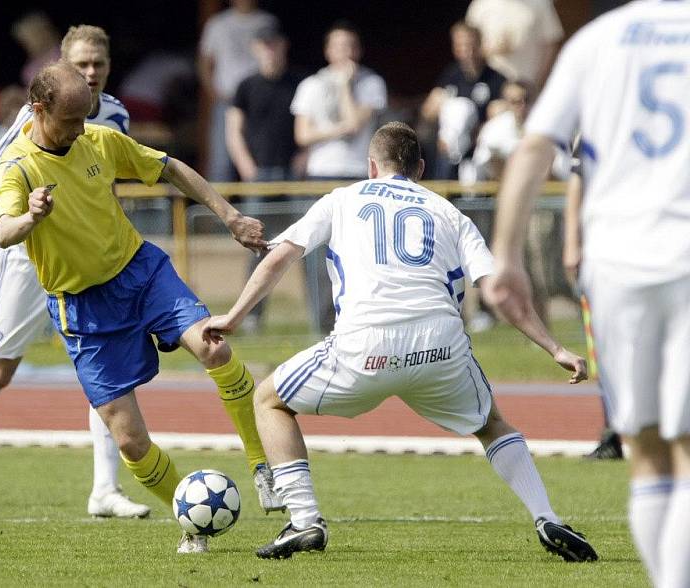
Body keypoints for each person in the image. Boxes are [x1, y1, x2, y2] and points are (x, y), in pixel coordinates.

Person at [202, 121, 598, 562]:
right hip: (440, 347)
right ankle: (546, 516)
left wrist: (235, 315)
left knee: (269, 400)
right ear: (421, 168)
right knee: (491, 425)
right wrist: (555, 348)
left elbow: (280, 257)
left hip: (363, 347)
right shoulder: (450, 213)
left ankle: (304, 520)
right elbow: (498, 290)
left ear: (371, 165)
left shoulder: (342, 199)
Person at [0, 27, 279, 528]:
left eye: (99, 66)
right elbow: (1, 225)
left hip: (135, 271)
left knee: (215, 346)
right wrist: (31, 216)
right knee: (15, 380)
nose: (81, 127)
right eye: (71, 118)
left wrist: (229, 217)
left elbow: (166, 167)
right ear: (41, 107)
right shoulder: (18, 152)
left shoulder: (103, 126)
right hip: (62, 285)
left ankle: (258, 466)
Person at [485, 3, 690, 586]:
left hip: (619, 261)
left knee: (647, 454)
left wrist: (506, 255)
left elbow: (534, 147)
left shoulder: (598, 39)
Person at [291, 20, 387, 334]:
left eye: (350, 46)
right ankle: (322, 322)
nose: (344, 53)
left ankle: (358, 319)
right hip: (320, 175)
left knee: (360, 250)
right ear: (328, 50)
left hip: (357, 173)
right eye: (338, 46)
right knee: (317, 252)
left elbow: (356, 124)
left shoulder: (371, 83)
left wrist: (346, 86)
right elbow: (302, 135)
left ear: (357, 50)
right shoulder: (311, 85)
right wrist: (337, 129)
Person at [225, 25, 304, 332]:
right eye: (264, 44)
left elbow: (310, 121)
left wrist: (304, 157)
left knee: (307, 245)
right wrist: (246, 167)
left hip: (294, 176)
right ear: (256, 48)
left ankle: (322, 317)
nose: (270, 49)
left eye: (274, 43)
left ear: (283, 45)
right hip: (259, 176)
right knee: (257, 245)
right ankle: (252, 317)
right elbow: (233, 130)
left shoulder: (299, 82)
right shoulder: (246, 86)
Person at [561, 135, 623, 462]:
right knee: (605, 349)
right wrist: (573, 244)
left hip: (660, 248)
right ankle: (613, 432)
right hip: (605, 252)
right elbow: (577, 183)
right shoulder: (593, 123)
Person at [198, 0, 278, 181]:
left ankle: (258, 208)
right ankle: (218, 208)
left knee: (260, 159)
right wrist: (213, 92)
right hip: (226, 100)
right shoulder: (217, 23)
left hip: (259, 100)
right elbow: (205, 61)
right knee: (221, 161)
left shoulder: (266, 21)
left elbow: (278, 57)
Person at [420, 21, 506, 180]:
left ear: (480, 45)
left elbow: (502, 116)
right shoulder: (450, 76)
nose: (468, 51)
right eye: (462, 46)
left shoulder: (496, 79)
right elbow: (428, 113)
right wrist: (436, 106)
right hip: (446, 156)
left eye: (471, 45)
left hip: (479, 156)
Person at [465, 0, 564, 93]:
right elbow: (467, 44)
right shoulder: (480, 5)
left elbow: (551, 43)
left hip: (528, 87)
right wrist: (490, 50)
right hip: (491, 88)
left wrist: (539, 82)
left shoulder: (540, 3)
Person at [12, 12, 62, 87]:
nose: (26, 45)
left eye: (30, 39)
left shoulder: (66, 55)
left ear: (42, 33)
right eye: (23, 42)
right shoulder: (28, 71)